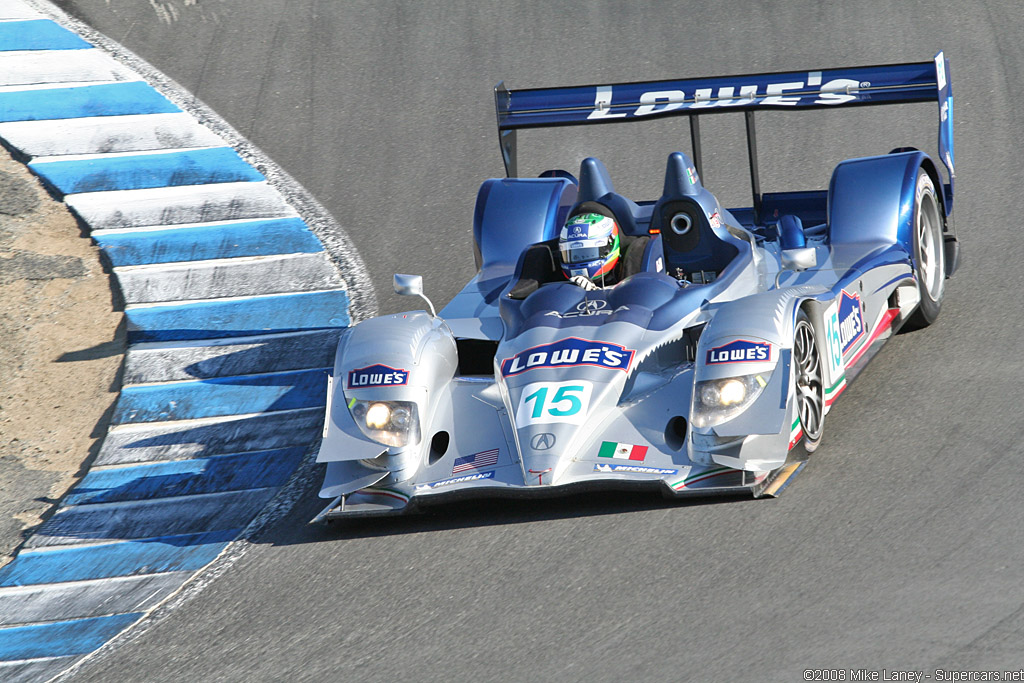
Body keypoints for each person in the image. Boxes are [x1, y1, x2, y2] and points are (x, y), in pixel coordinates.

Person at [558, 212, 622, 290]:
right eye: (575, 256)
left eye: (588, 254)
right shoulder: (557, 285)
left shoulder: (627, 278)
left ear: (609, 246)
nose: (579, 260)